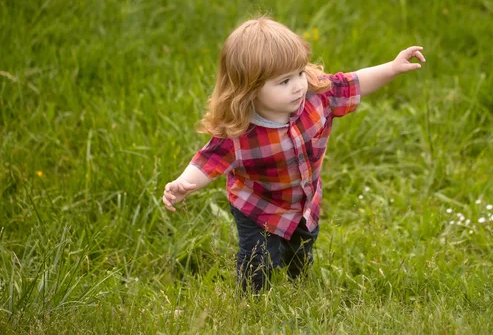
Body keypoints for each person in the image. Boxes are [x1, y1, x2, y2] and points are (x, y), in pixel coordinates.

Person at [162, 16, 425, 292]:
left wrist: (392, 68)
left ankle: (297, 282)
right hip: (257, 207)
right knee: (258, 260)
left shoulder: (316, 95)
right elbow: (209, 160)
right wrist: (183, 184)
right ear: (250, 89)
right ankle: (252, 302)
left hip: (304, 202)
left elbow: (354, 82)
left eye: (299, 73)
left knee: (302, 247)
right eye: (284, 81)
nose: (298, 85)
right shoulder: (240, 132)